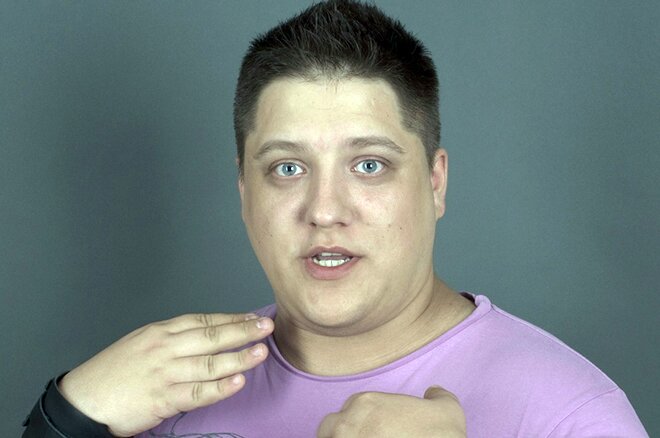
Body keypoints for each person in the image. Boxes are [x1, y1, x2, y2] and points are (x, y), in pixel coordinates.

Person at [23, 1, 648, 437]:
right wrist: (68, 418)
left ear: (435, 183)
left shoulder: (573, 416)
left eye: (369, 166)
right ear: (243, 190)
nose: (324, 210)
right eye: (287, 168)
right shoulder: (167, 391)